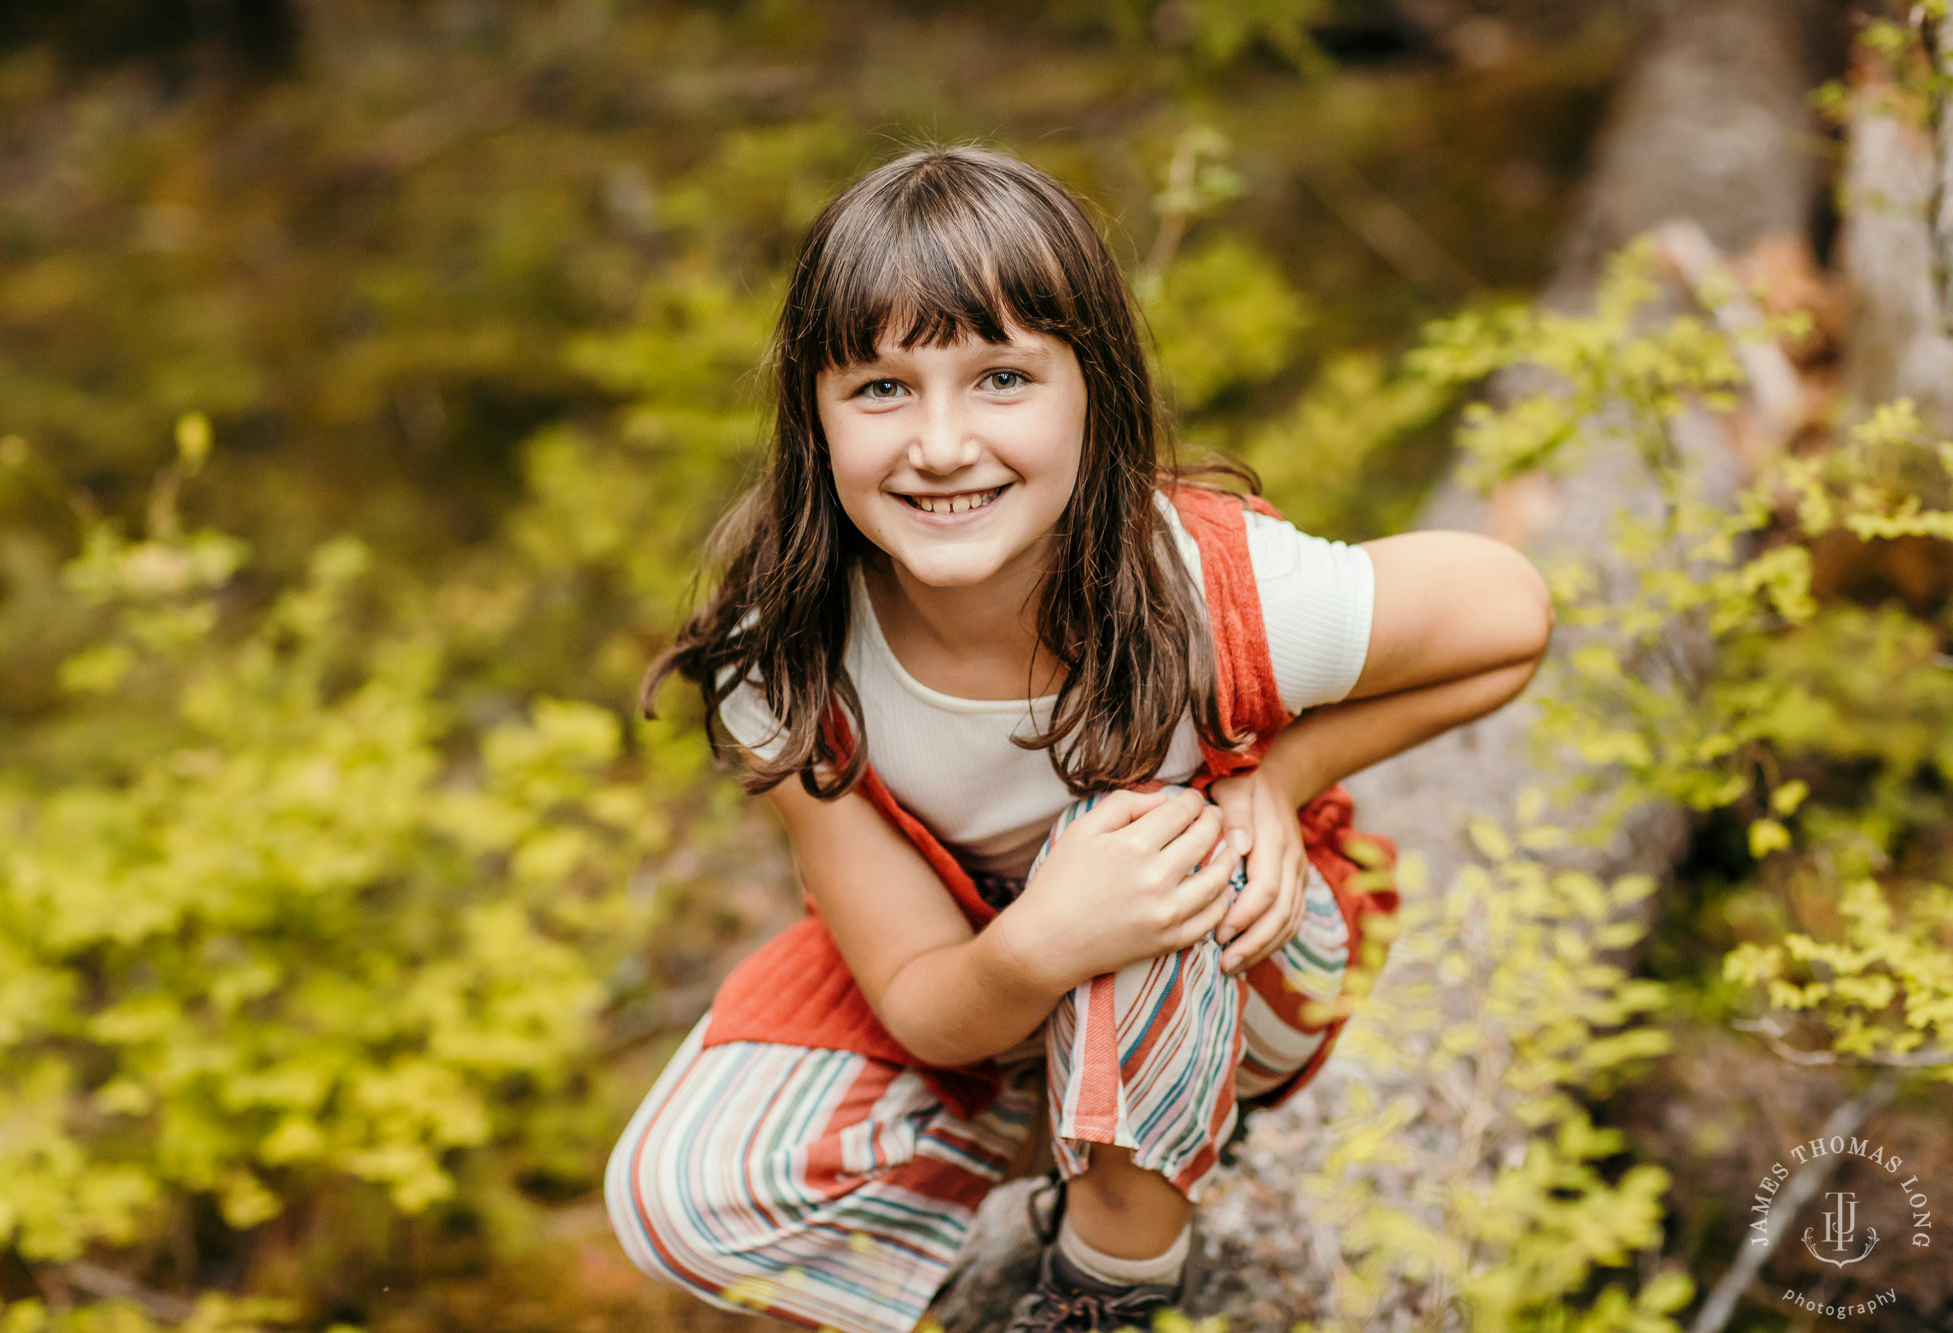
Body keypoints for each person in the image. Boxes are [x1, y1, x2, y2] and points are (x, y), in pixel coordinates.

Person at [607, 143, 1553, 1333]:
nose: (941, 444)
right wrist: (1034, 946)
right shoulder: (788, 659)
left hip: (1238, 962)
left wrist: (1279, 773)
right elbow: (913, 994)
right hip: (988, 998)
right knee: (676, 1195)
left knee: (1127, 838)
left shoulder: (1202, 592)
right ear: (812, 415)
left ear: (1090, 389)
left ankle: (1113, 1274)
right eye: (881, 388)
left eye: (1000, 377)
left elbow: (1507, 615)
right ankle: (1013, 1181)